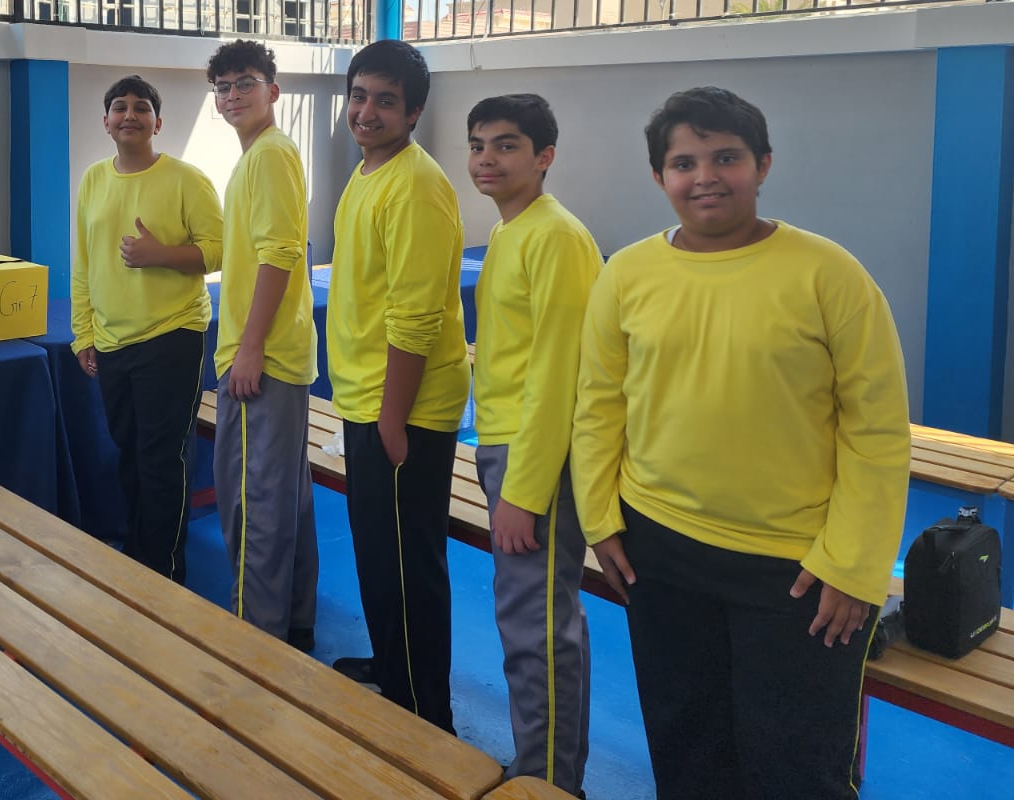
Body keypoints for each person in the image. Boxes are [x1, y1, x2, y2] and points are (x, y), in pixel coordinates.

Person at [571, 86, 910, 800]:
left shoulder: (830, 275)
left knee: (796, 770)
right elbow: (599, 406)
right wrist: (600, 518)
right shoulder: (626, 274)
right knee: (687, 751)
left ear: (763, 165)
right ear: (659, 176)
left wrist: (853, 566)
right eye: (683, 163)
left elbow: (876, 431)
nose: (705, 178)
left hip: (797, 570)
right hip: (660, 549)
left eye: (726, 157)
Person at [326, 40, 468, 731]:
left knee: (409, 566)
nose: (367, 111)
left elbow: (416, 315)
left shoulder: (415, 185)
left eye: (386, 101)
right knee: (379, 556)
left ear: (414, 113)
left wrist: (391, 420)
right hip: (368, 398)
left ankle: (425, 717)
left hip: (403, 409)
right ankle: (393, 666)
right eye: (358, 96)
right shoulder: (368, 172)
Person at [467, 93, 600, 795]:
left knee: (537, 629)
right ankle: (545, 769)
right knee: (531, 621)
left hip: (533, 460)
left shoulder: (556, 237)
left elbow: (559, 376)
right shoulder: (509, 231)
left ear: (545, 157)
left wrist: (523, 490)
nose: (486, 159)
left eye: (506, 145)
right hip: (505, 447)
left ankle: (548, 782)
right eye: (477, 145)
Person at [72, 75, 223, 582]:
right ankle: (139, 556)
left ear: (158, 123)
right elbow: (83, 263)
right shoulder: (93, 179)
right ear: (106, 121)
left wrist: (161, 254)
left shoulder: (186, 180)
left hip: (172, 335)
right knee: (130, 453)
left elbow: (220, 250)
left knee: (162, 459)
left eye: (142, 108)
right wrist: (84, 334)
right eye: (120, 107)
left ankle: (164, 572)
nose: (130, 115)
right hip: (112, 341)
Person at [205, 39, 319, 647]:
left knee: (254, 503)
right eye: (222, 87)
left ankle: (258, 641)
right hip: (277, 355)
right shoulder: (262, 155)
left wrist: (249, 349)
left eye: (244, 83)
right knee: (283, 498)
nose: (232, 96)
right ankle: (292, 625)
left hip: (263, 359)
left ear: (272, 91)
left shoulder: (271, 154)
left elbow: (280, 254)